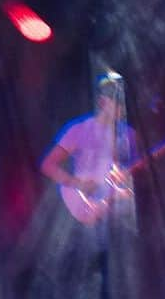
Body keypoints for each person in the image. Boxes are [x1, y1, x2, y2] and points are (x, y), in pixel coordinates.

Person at [39, 72, 135, 225]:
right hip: (85, 211)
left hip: (117, 216)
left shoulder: (129, 134)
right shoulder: (79, 129)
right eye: (117, 102)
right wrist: (79, 184)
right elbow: (48, 165)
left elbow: (132, 172)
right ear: (102, 102)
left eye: (123, 103)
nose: (122, 108)